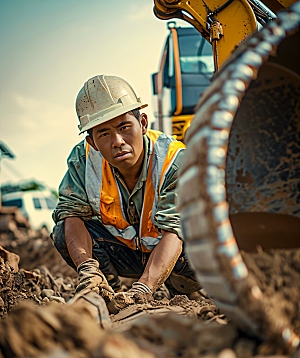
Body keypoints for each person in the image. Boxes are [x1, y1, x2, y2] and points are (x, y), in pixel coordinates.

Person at [52, 74, 200, 310]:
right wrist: (88, 270)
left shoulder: (174, 161)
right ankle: (104, 289)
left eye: (124, 127)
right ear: (91, 142)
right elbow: (72, 214)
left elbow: (175, 230)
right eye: (104, 134)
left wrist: (142, 290)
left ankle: (182, 288)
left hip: (178, 256)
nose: (117, 141)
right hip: (127, 254)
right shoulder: (83, 160)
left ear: (142, 122)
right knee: (62, 231)